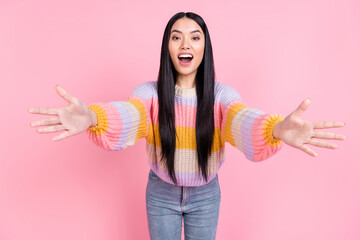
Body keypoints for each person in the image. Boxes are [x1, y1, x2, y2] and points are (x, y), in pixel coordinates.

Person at [28, 12, 347, 240]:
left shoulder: (221, 96)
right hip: (161, 193)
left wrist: (275, 129)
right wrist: (94, 118)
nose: (186, 44)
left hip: (207, 196)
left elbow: (241, 119)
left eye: (195, 37)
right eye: (176, 37)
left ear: (204, 48)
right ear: (167, 47)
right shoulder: (149, 93)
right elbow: (132, 115)